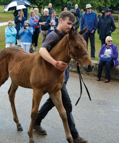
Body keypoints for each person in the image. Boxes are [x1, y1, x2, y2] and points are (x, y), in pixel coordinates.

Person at [34, 11, 87, 143]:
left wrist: (78, 60)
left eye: (72, 24)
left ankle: (36, 121)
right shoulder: (54, 35)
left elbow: (70, 52)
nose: (70, 26)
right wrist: (55, 63)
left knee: (53, 101)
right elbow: (42, 50)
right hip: (53, 77)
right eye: (68, 23)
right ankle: (75, 136)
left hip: (63, 76)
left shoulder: (67, 36)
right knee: (67, 105)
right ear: (61, 21)